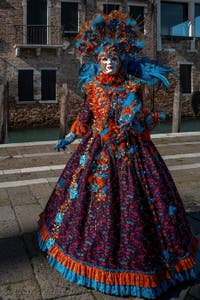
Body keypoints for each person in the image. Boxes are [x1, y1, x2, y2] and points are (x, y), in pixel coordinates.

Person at [38, 11, 199, 299]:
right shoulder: (92, 87)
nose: (109, 63)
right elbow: (86, 116)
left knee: (139, 202)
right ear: (97, 62)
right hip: (96, 149)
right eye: (104, 59)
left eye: (113, 59)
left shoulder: (132, 87)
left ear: (122, 61)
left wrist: (137, 120)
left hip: (131, 151)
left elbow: (136, 119)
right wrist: (71, 136)